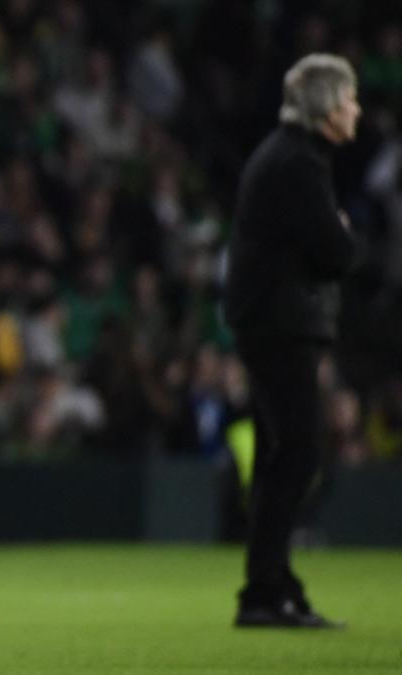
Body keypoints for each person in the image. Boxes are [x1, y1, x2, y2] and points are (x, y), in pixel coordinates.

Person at [222, 53, 360, 629]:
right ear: (327, 108)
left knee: (285, 456)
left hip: (267, 321)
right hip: (280, 325)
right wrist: (344, 233)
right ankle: (264, 590)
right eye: (349, 98)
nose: (356, 110)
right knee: (297, 455)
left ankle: (271, 584)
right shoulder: (300, 165)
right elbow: (337, 253)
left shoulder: (286, 156)